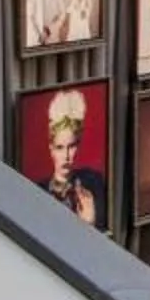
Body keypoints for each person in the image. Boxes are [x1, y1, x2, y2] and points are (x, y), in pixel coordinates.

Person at [40, 91, 107, 228]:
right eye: (59, 147)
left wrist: (90, 223)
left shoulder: (94, 182)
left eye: (71, 146)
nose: (66, 156)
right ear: (51, 149)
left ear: (78, 145)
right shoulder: (36, 190)